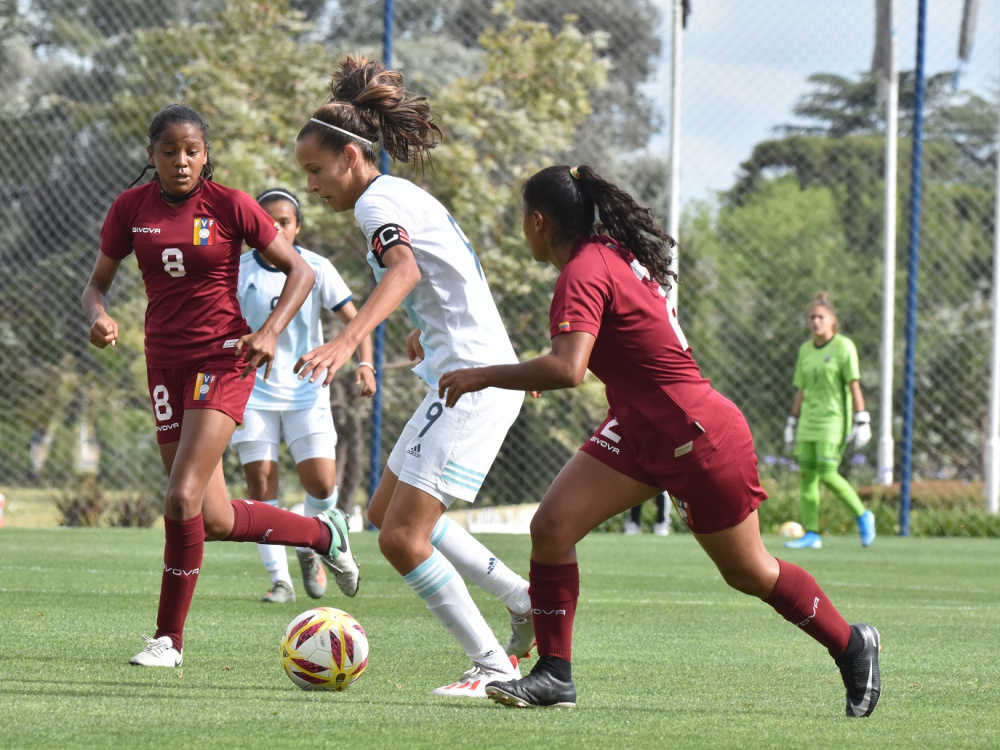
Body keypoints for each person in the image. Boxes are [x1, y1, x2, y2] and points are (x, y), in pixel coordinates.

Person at [437, 164, 882, 717]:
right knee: (551, 527)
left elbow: (568, 368)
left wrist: (484, 374)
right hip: (642, 428)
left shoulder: (583, 269)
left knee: (749, 571)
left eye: (520, 220)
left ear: (537, 221)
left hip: (693, 435)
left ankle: (852, 645)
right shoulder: (605, 253)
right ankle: (554, 675)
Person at [81, 104, 361, 669]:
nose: (181, 162)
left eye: (191, 151)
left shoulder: (231, 205)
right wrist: (100, 317)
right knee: (212, 519)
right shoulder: (130, 210)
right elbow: (96, 286)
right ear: (152, 155)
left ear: (206, 155)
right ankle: (321, 535)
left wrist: (270, 332)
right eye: (168, 152)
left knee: (180, 496)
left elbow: (300, 272)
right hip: (163, 364)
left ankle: (167, 640)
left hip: (224, 359)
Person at [291, 55, 533, 696]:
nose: (312, 186)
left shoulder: (376, 205)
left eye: (315, 171)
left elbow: (405, 271)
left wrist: (347, 339)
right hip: (464, 373)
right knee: (382, 513)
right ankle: (522, 601)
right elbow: (440, 278)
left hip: (471, 383)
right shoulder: (397, 196)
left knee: (401, 538)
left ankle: (491, 665)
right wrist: (426, 329)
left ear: (349, 156)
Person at [231, 188, 377, 604]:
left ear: (298, 227)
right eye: (268, 221)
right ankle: (280, 580)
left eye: (286, 221)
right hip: (253, 394)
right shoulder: (238, 271)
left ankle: (312, 545)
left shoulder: (316, 267)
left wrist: (365, 365)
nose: (277, 228)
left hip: (306, 393)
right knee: (261, 484)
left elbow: (357, 321)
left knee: (322, 483)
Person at [783, 294, 875, 550]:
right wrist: (792, 422)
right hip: (808, 422)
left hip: (833, 421)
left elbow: (853, 385)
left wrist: (862, 419)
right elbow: (800, 389)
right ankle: (811, 533)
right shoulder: (805, 350)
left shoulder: (844, 347)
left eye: (820, 317)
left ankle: (863, 515)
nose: (815, 322)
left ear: (832, 320)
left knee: (828, 473)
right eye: (811, 318)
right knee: (807, 477)